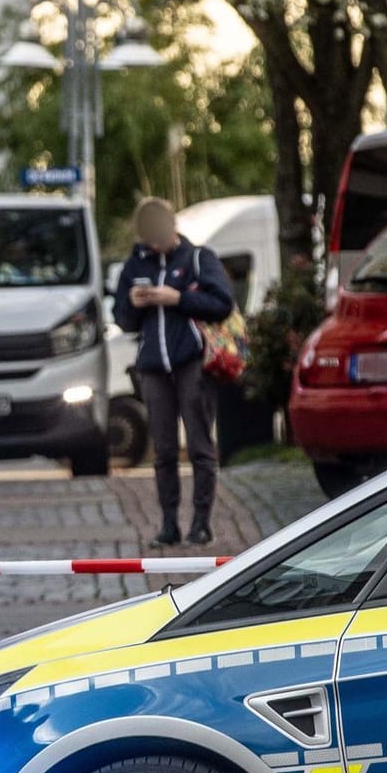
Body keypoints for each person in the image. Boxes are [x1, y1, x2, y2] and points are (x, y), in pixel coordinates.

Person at [113, 196, 236, 547]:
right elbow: (122, 319)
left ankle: (201, 522)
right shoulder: (134, 265)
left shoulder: (198, 259)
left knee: (200, 445)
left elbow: (222, 303)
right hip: (153, 366)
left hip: (192, 362)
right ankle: (168, 523)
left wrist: (177, 298)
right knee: (163, 450)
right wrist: (134, 304)